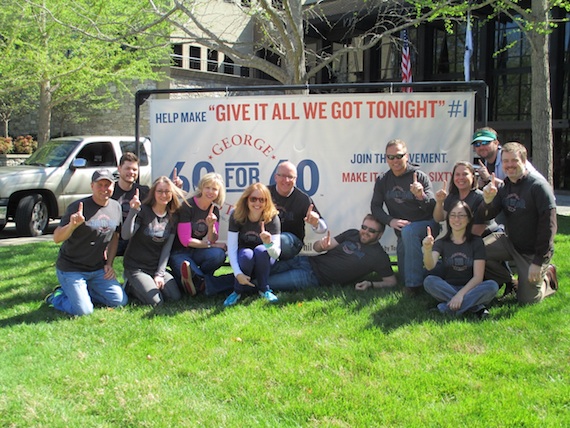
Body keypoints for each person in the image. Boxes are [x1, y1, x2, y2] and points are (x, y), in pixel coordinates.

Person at [478, 142, 558, 304]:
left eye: (514, 160)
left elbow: (549, 228)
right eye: (505, 161)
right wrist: (487, 201)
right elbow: (486, 215)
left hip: (533, 251)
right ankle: (511, 281)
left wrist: (538, 261)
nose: (509, 165)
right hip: (510, 242)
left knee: (528, 300)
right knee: (475, 252)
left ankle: (547, 276)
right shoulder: (505, 186)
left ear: (524, 161)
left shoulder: (538, 186)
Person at [45, 170, 127, 316]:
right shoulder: (78, 207)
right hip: (71, 269)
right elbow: (57, 238)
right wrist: (72, 225)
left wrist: (109, 264)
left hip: (97, 269)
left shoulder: (116, 207)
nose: (104, 189)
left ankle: (82, 293)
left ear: (113, 186)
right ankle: (57, 297)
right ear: (92, 186)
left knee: (119, 301)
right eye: (99, 185)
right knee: (84, 311)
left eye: (107, 185)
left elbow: (115, 236)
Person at [371, 139, 439, 295]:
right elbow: (375, 207)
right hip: (403, 232)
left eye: (399, 156)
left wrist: (421, 196)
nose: (395, 160)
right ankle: (432, 275)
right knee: (404, 275)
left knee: (409, 233)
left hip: (427, 225)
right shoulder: (383, 180)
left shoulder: (420, 177)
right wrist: (390, 221)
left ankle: (414, 287)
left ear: (407, 156)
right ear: (386, 158)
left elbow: (434, 208)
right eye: (390, 157)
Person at [265, 214, 397, 291]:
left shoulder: (379, 256)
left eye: (371, 231)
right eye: (364, 227)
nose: (365, 232)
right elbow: (317, 248)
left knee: (266, 283)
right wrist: (322, 245)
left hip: (313, 278)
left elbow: (391, 282)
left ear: (380, 235)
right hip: (306, 260)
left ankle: (244, 287)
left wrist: (370, 284)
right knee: (262, 269)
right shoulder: (352, 233)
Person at [423, 201, 499, 319]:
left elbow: (478, 278)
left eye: (461, 215)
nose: (456, 219)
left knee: (492, 286)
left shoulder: (477, 242)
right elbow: (429, 266)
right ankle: (476, 308)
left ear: (468, 219)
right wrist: (427, 249)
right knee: (429, 281)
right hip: (447, 287)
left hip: (472, 288)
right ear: (448, 219)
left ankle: (445, 308)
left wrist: (460, 295)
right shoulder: (441, 242)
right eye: (453, 215)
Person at [122, 176, 184, 306]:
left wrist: (160, 274)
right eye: (160, 191)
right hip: (136, 268)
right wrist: (133, 211)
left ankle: (148, 282)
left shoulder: (172, 216)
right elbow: (126, 235)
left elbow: (167, 249)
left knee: (175, 297)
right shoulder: (144, 211)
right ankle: (130, 285)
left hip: (154, 267)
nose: (163, 195)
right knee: (157, 302)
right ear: (153, 193)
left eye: (167, 191)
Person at [223, 183, 281, 307]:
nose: (257, 203)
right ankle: (237, 291)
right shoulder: (236, 214)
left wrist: (268, 243)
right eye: (253, 199)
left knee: (261, 250)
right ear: (246, 199)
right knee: (246, 254)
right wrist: (237, 273)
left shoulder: (273, 217)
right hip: (244, 256)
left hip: (265, 257)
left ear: (267, 201)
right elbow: (232, 247)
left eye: (262, 200)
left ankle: (264, 289)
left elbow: (276, 254)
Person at [168, 172, 227, 295]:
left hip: (197, 251)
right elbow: (186, 240)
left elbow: (212, 239)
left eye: (214, 189)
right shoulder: (187, 206)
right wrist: (212, 245)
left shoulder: (214, 209)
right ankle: (199, 282)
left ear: (219, 192)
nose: (210, 192)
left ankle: (197, 280)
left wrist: (211, 227)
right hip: (180, 252)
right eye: (207, 187)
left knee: (219, 255)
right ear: (201, 188)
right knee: (197, 280)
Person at [269, 161, 328, 260]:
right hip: (267, 239)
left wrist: (316, 223)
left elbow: (323, 228)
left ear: (295, 180)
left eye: (290, 177)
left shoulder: (303, 199)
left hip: (291, 242)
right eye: (282, 175)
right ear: (276, 177)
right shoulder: (264, 194)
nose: (286, 180)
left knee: (281, 240)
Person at [471, 127, 539, 187]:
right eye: (477, 144)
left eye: (485, 142)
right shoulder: (485, 163)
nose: (481, 147)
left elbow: (516, 187)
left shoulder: (509, 156)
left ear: (496, 143)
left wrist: (489, 178)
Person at [112, 152, 150, 256]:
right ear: (119, 169)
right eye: (127, 168)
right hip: (113, 237)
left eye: (134, 169)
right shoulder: (110, 191)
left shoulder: (144, 191)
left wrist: (175, 188)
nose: (131, 172)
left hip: (135, 238)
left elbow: (162, 200)